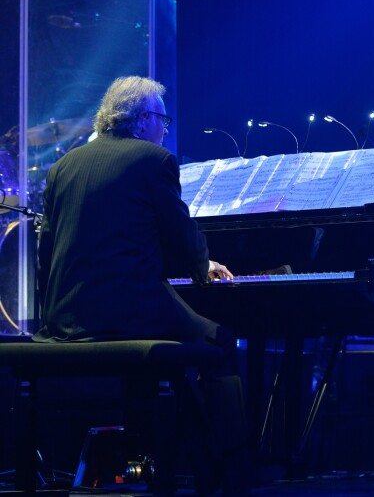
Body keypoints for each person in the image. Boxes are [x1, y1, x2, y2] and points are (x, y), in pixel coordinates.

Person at [33, 76, 250, 495]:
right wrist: (203, 266)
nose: (166, 128)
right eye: (162, 118)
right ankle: (229, 477)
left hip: (64, 319)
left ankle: (150, 459)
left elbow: (49, 254)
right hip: (131, 313)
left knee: (166, 353)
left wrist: (53, 316)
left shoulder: (63, 167)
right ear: (143, 119)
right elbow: (182, 237)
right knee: (221, 342)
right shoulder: (154, 161)